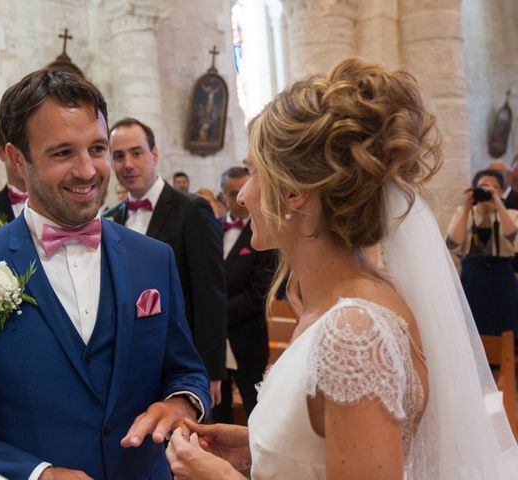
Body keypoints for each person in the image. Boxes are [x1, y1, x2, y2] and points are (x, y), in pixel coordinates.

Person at [166, 58, 518, 479]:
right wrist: (256, 449)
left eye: (253, 173)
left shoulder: (355, 331)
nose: (242, 196)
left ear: (294, 192)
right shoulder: (335, 303)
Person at [0, 69, 210, 480]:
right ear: (17, 159)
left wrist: (181, 402)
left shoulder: (154, 258)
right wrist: (36, 474)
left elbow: (185, 368)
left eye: (97, 148)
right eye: (63, 153)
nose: (87, 171)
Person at [104, 118, 227, 408]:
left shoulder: (191, 210)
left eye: (136, 153)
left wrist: (209, 370)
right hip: (129, 366)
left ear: (154, 155)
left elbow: (210, 295)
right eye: (118, 156)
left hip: (181, 362)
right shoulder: (111, 216)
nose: (127, 164)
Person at [211, 166, 275, 424]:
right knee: (218, 407)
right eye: (232, 192)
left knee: (255, 406)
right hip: (213, 341)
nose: (239, 198)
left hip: (246, 337)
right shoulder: (209, 229)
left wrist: (212, 314)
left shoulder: (263, 233)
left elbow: (258, 294)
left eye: (243, 190)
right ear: (222, 196)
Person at [446, 168, 518, 335]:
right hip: (472, 280)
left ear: (501, 192)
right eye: (483, 187)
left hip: (503, 282)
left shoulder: (511, 215)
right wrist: (465, 207)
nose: (488, 191)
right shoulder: (463, 213)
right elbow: (451, 244)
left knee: (506, 329)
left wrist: (499, 205)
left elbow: (514, 240)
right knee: (471, 331)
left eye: (495, 188)